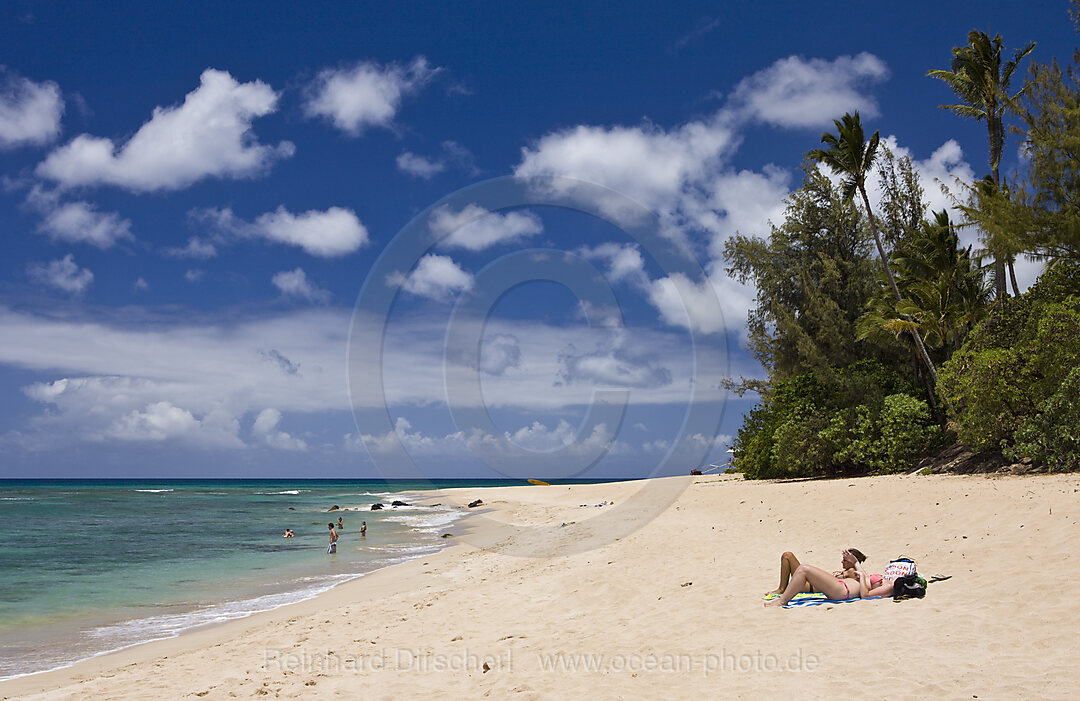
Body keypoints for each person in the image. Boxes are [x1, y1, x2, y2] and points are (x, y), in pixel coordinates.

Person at [765, 549, 874, 607]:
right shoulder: (847, 572)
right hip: (812, 583)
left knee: (801, 566)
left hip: (809, 586)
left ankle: (782, 596)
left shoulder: (852, 572)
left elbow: (865, 578)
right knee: (787, 555)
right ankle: (781, 589)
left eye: (845, 560)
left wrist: (855, 563)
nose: (842, 561)